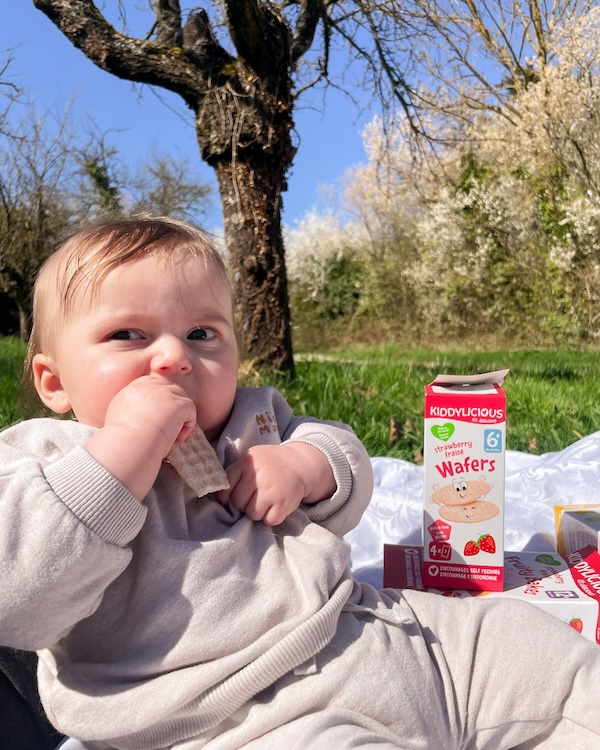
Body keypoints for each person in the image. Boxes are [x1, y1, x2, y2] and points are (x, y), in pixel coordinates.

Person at [0, 216, 598, 750]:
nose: (174, 358)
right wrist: (123, 451)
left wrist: (305, 465)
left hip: (384, 634)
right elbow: (20, 598)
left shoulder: (254, 420)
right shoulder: (42, 461)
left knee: (535, 650)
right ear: (55, 382)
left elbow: (346, 453)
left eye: (202, 334)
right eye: (127, 335)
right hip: (242, 717)